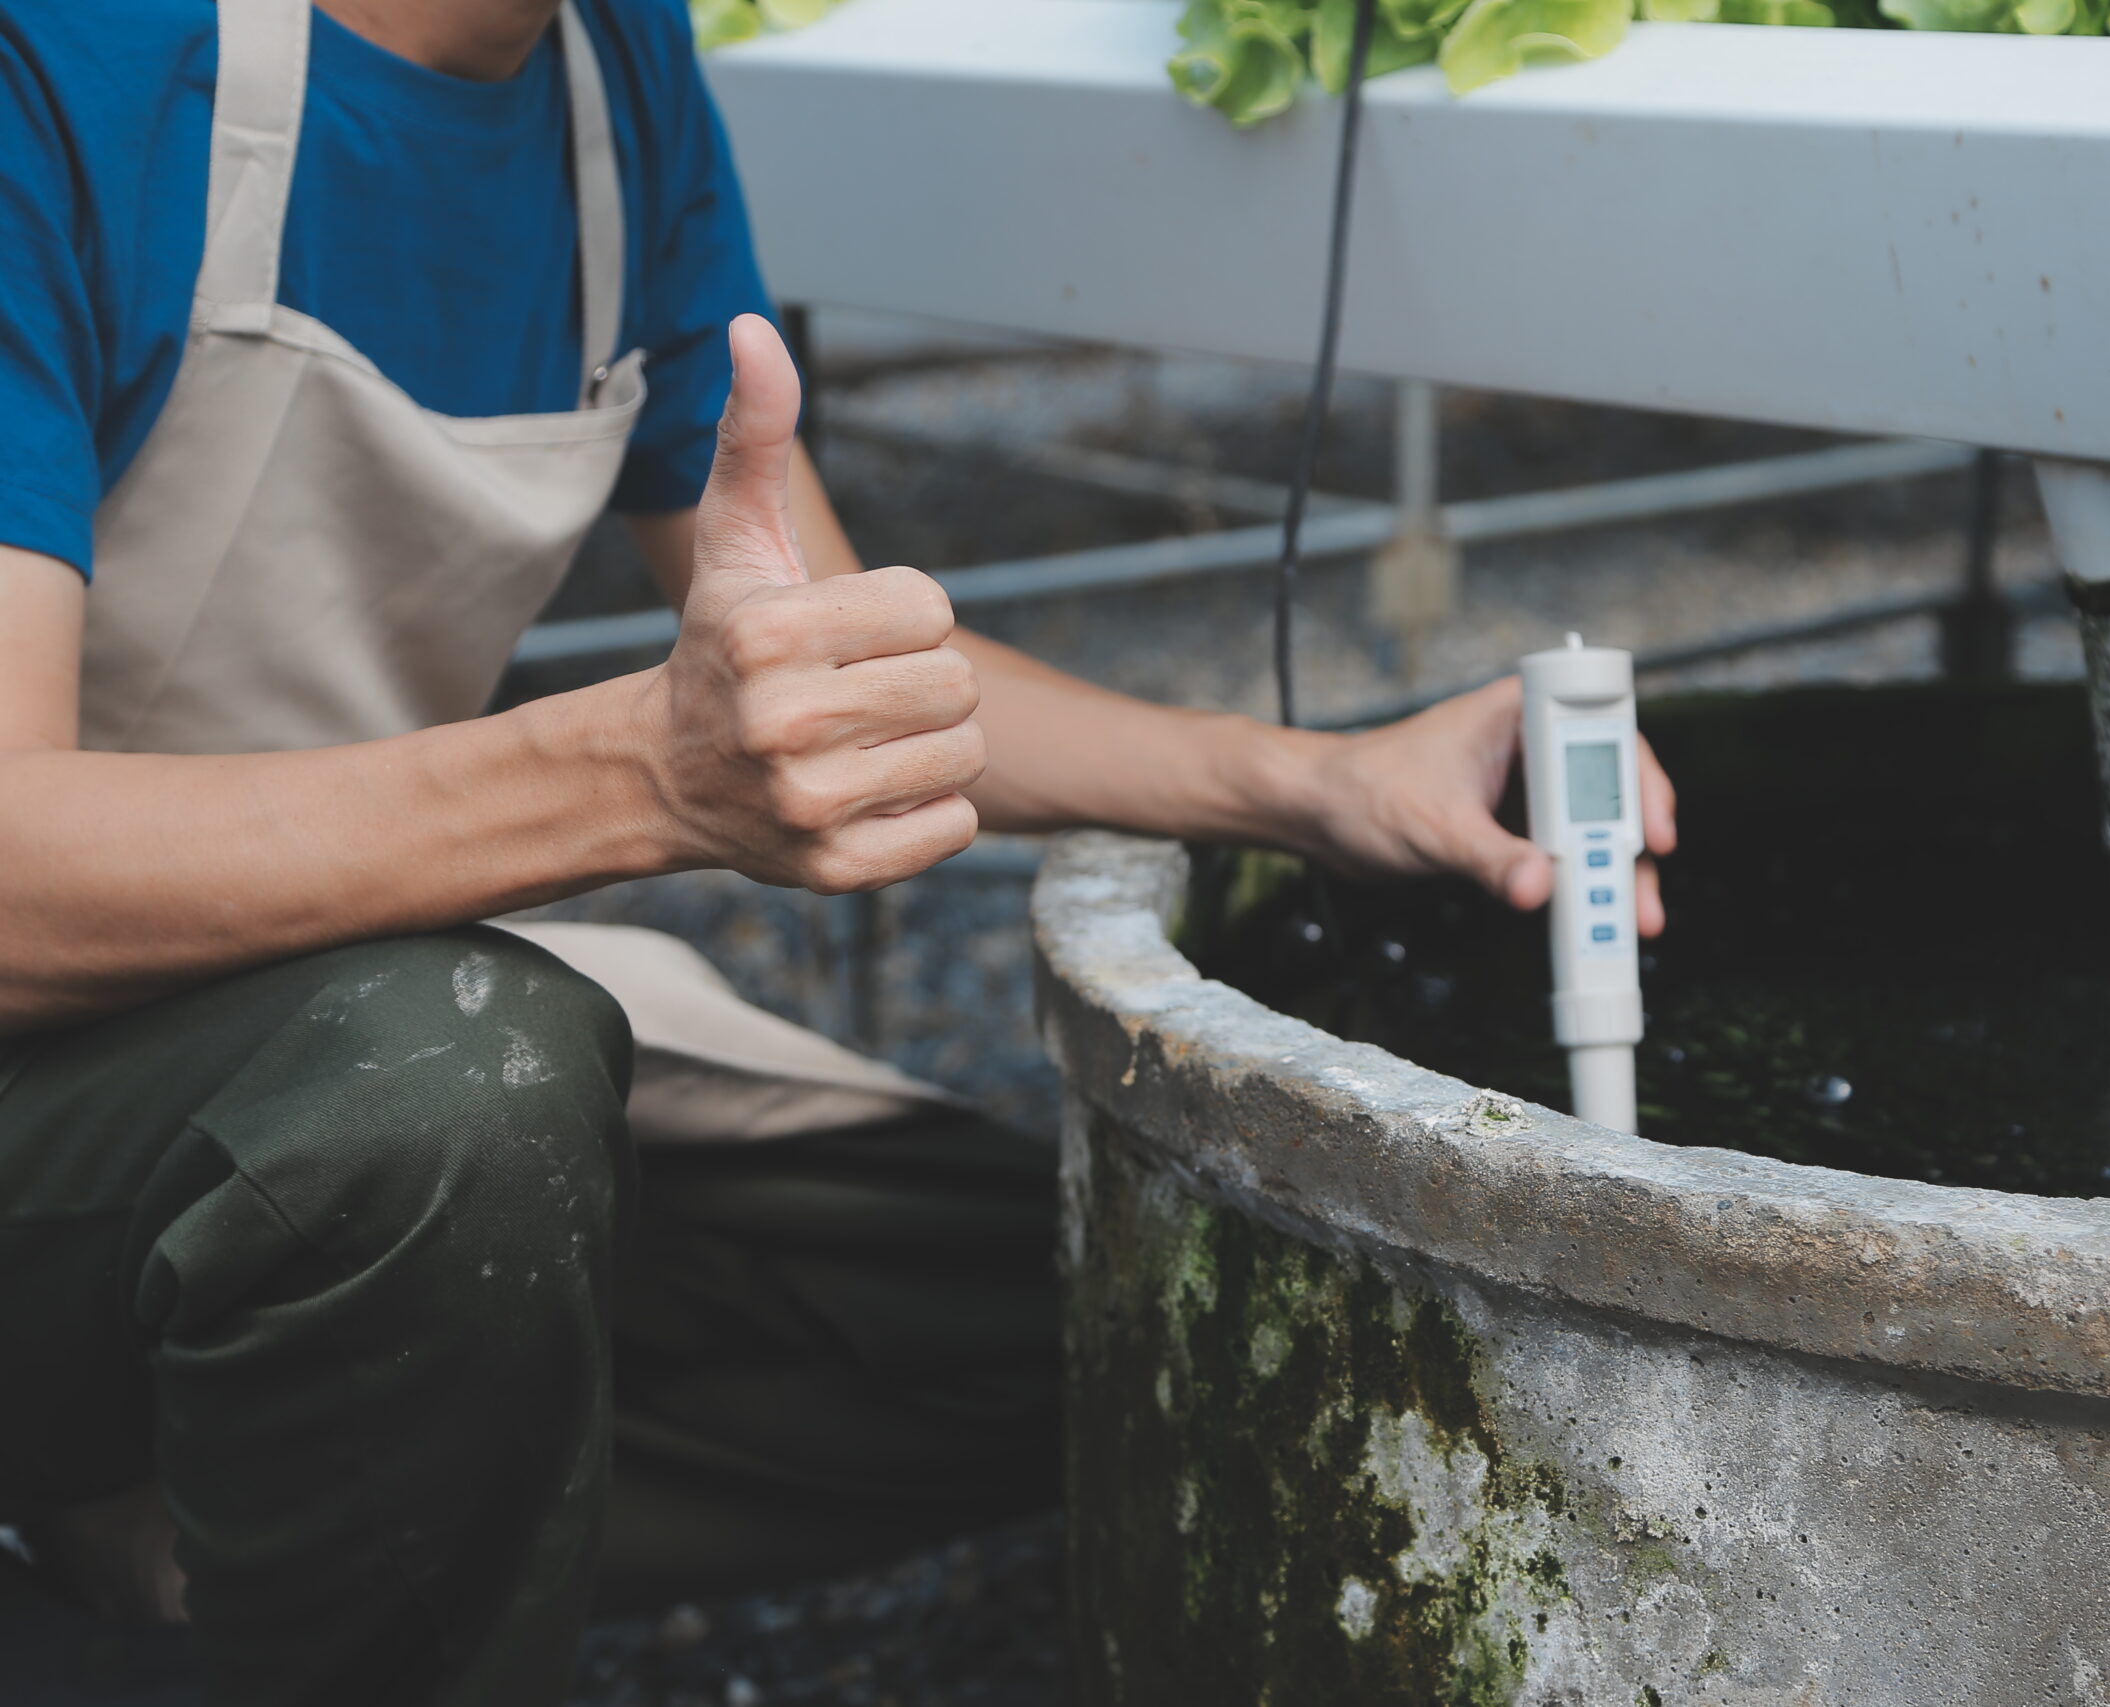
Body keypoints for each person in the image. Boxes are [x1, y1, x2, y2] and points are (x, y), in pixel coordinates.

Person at [0, 0, 1677, 1701]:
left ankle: (195, 1536)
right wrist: (639, 774)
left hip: (315, 1020)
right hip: (104, 1065)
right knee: (449, 1088)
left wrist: (1317, 780)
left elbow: (840, 673)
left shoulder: (607, 72)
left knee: (1109, 1320)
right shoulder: (66, 59)